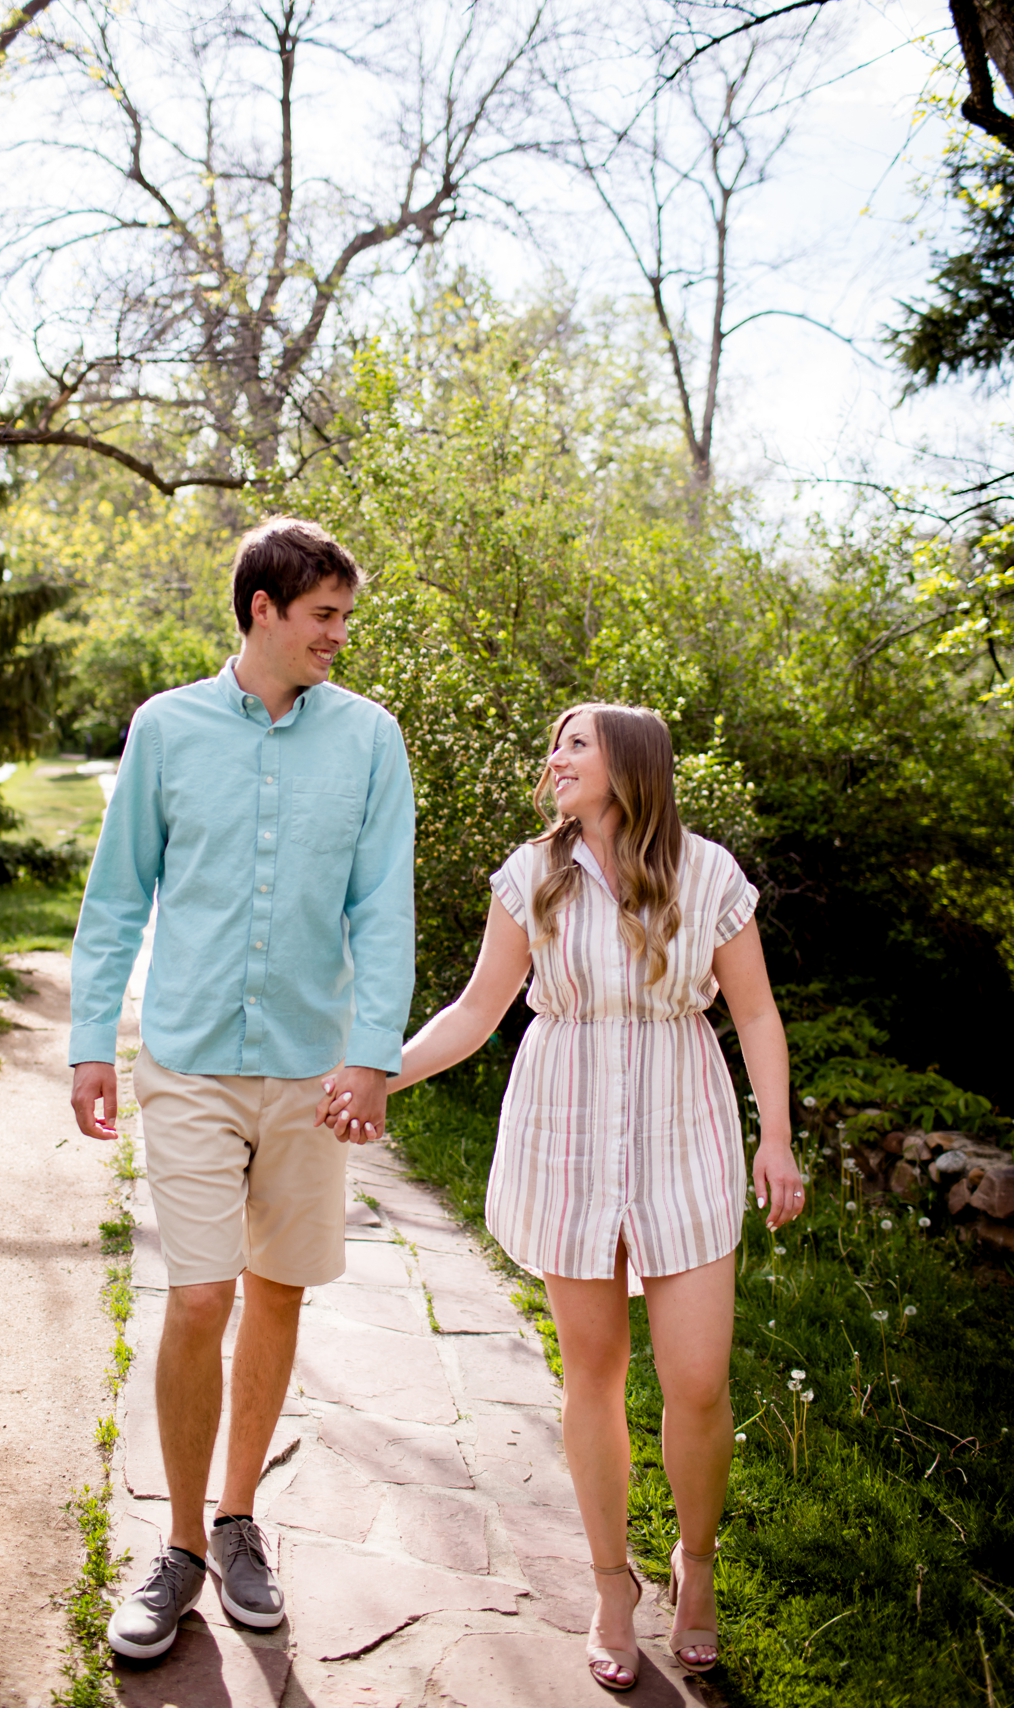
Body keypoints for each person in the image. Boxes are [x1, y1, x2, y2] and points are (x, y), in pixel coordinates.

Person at [317, 703, 804, 1690]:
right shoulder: (532, 873)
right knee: (592, 1375)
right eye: (558, 744)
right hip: (567, 1142)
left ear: (629, 764)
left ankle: (695, 1568)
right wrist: (377, 1073)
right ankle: (609, 1584)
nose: (555, 759)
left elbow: (754, 1010)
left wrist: (779, 1140)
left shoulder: (706, 873)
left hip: (688, 1140)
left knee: (698, 1380)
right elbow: (475, 1011)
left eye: (575, 744)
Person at [71, 518, 416, 1660]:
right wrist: (88, 1041)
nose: (338, 637)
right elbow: (118, 896)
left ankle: (239, 1522)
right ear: (263, 608)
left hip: (315, 1072)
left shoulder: (371, 739)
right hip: (190, 1058)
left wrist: (372, 1052)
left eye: (343, 619)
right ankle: (175, 1548)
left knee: (277, 1293)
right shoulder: (166, 729)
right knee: (201, 1295)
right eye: (324, 616)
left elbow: (384, 906)